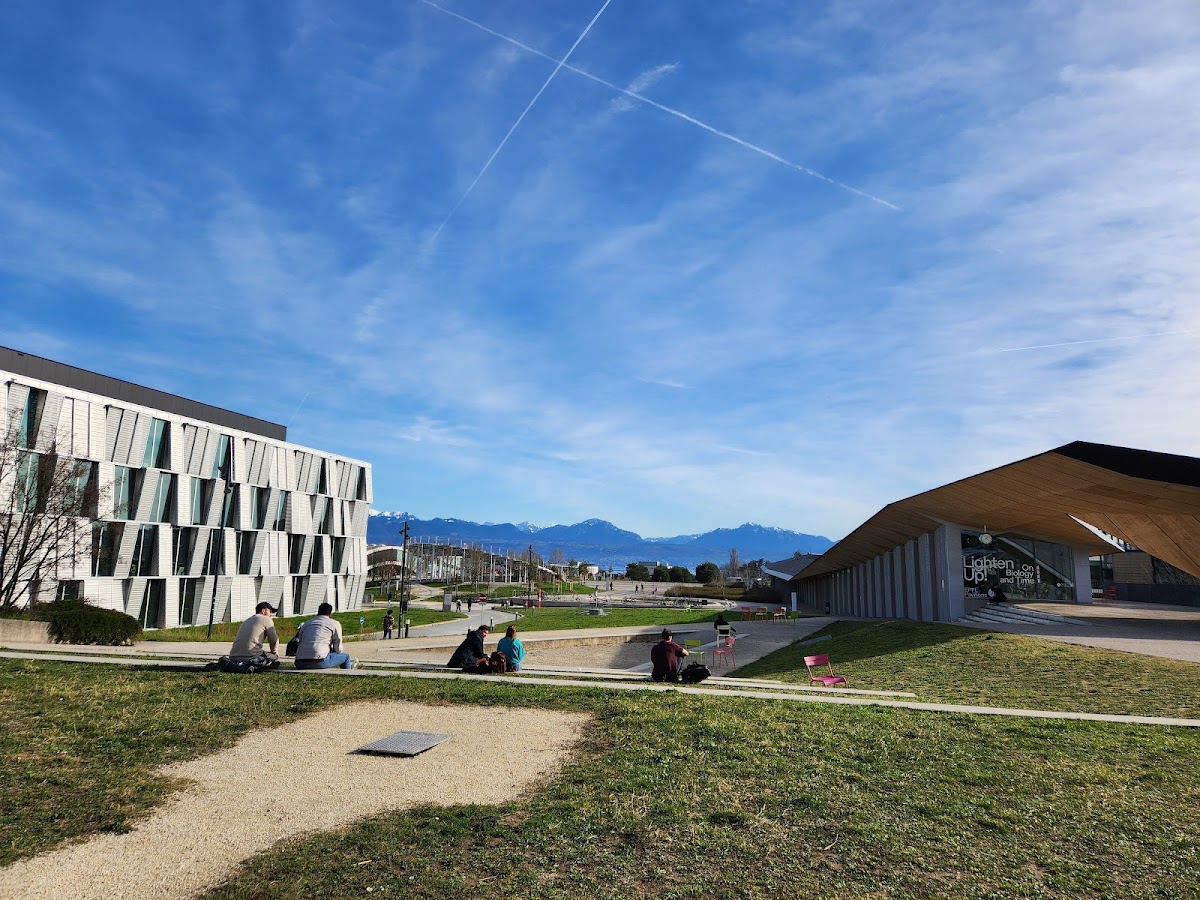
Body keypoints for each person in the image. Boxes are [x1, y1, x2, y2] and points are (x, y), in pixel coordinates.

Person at [294, 602, 357, 670]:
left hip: (300, 662)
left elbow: (299, 640)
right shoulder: (334, 623)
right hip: (319, 661)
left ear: (318, 612)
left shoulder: (307, 623)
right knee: (346, 657)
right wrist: (334, 652)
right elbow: (338, 648)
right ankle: (347, 674)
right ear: (330, 614)